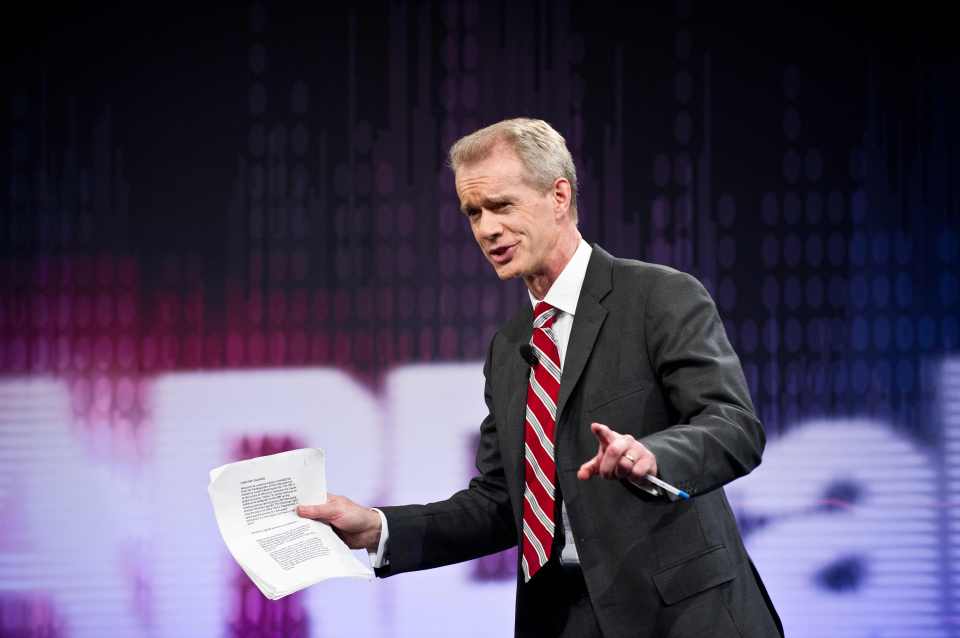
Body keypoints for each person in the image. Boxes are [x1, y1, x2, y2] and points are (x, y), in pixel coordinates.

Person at [298, 118, 783, 638]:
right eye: (473, 213)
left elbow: (733, 426)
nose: (486, 229)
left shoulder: (657, 297)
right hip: (561, 618)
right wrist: (379, 527)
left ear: (558, 195)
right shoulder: (509, 349)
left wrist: (656, 455)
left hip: (681, 615)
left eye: (502, 206)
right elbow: (500, 503)